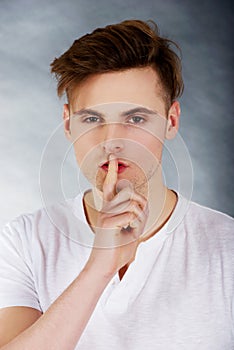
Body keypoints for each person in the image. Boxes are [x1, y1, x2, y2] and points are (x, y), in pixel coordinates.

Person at [0, 19, 233, 350]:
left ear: (171, 120)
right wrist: (100, 266)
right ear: (68, 123)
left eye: (136, 119)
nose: (112, 142)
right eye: (92, 119)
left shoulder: (227, 248)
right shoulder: (24, 240)